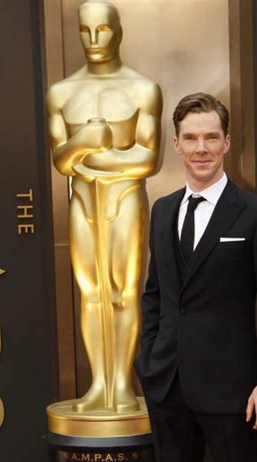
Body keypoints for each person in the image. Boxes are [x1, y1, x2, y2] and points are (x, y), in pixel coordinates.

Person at [135, 92, 257, 462]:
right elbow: (155, 293)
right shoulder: (162, 211)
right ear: (176, 145)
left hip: (232, 391)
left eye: (210, 137)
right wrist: (149, 358)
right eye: (190, 138)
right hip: (166, 385)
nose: (201, 148)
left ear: (226, 142)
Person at [46, 0, 162, 414]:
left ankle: (122, 383)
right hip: (83, 201)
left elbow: (149, 159)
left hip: (125, 198)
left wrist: (90, 157)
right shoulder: (61, 92)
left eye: (103, 30)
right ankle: (99, 383)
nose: (94, 40)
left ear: (119, 31)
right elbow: (60, 161)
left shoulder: (143, 89)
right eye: (85, 31)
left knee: (124, 291)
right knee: (91, 293)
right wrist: (82, 143)